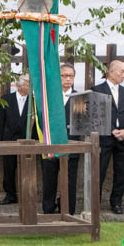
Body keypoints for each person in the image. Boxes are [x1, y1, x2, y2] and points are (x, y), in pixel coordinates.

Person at [93, 60, 124, 214]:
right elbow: (95, 115)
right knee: (99, 171)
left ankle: (116, 202)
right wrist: (111, 130)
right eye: (122, 71)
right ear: (111, 72)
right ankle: (94, 202)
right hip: (104, 138)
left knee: (121, 172)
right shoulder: (97, 90)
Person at [41, 63, 80, 214]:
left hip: (72, 145)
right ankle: (48, 209)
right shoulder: (49, 97)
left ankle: (68, 211)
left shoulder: (79, 98)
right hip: (51, 144)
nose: (68, 79)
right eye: (64, 76)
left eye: (71, 76)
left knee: (70, 181)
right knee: (49, 179)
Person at [0, 74, 33, 205]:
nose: (31, 86)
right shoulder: (6, 99)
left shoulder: (34, 101)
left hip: (28, 140)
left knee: (27, 168)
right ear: (19, 85)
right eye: (28, 83)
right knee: (9, 169)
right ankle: (10, 194)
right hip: (9, 139)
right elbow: (0, 122)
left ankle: (27, 195)